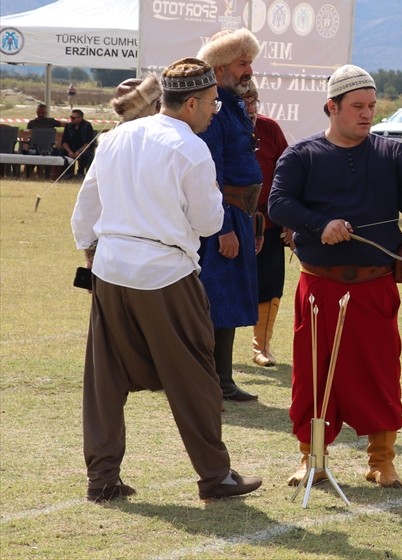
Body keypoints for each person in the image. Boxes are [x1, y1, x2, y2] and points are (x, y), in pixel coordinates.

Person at [268, 64, 402, 488]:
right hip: (320, 287)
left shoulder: (392, 153)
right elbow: (279, 203)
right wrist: (320, 224)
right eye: (357, 106)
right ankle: (313, 458)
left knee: (380, 373)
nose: (366, 114)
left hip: (374, 286)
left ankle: (382, 459)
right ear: (331, 106)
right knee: (313, 375)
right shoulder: (301, 154)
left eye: (371, 107)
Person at [70, 58, 262, 502]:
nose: (215, 110)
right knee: (195, 375)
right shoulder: (191, 148)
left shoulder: (115, 137)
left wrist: (96, 255)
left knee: (104, 380)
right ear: (191, 102)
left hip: (112, 271)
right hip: (165, 273)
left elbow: (86, 211)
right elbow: (209, 221)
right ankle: (215, 476)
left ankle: (102, 480)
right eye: (213, 102)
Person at [196, 28, 263, 403]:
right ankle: (213, 380)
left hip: (240, 214)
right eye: (242, 62)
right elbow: (212, 170)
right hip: (222, 215)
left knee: (230, 298)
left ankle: (222, 378)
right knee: (215, 300)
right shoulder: (214, 109)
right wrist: (222, 226)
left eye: (249, 61)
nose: (248, 69)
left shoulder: (231, 103)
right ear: (220, 69)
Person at [241, 80, 291, 368]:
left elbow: (287, 174)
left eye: (254, 102)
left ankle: (262, 347)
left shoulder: (270, 129)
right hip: (228, 222)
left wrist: (288, 220)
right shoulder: (217, 128)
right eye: (244, 103)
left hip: (269, 222)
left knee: (270, 284)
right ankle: (212, 349)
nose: (250, 109)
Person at [23, 103, 63, 178]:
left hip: (47, 147)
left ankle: (45, 176)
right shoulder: (32, 123)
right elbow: (27, 134)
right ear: (36, 112)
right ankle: (27, 176)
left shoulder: (51, 121)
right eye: (39, 112)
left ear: (46, 113)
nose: (40, 114)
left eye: (42, 113)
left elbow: (64, 125)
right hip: (34, 147)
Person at [61, 108, 97, 178]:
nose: (71, 119)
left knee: (86, 155)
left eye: (73, 118)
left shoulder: (87, 126)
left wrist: (79, 151)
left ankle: (80, 173)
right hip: (71, 148)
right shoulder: (68, 126)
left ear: (80, 118)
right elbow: (64, 141)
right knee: (61, 152)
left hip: (83, 148)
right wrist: (69, 151)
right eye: (71, 117)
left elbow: (88, 143)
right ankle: (68, 173)